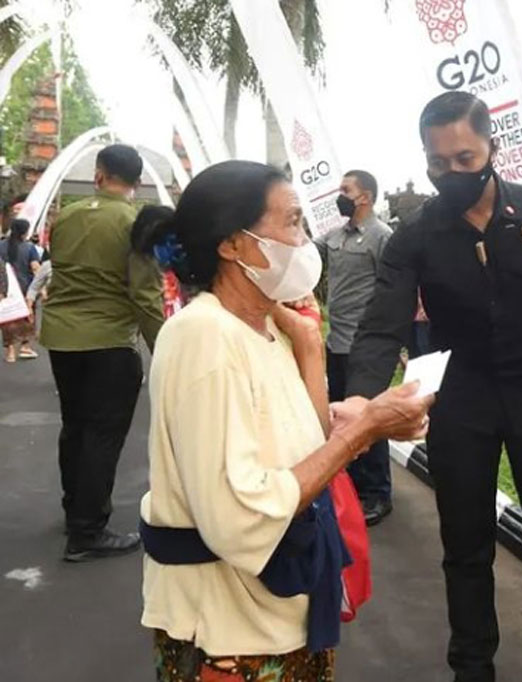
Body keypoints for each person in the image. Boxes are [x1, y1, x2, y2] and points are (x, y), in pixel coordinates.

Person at [346, 91, 522, 682]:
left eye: (465, 158)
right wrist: (359, 404)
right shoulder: (415, 235)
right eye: (439, 163)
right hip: (462, 400)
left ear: (492, 147)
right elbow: (382, 324)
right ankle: (472, 671)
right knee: (465, 552)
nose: (453, 173)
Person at [137, 160, 432, 681]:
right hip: (231, 634)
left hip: (278, 609)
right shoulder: (205, 337)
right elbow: (240, 516)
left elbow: (307, 452)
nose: (305, 239)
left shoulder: (269, 327)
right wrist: (363, 431)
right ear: (232, 244)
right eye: (293, 221)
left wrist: (318, 360)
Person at [40, 144, 166, 561]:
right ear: (139, 181)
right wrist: (164, 351)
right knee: (102, 435)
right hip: (109, 342)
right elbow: (146, 296)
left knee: (74, 426)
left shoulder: (69, 215)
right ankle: (87, 531)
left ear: (98, 175)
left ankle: (74, 505)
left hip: (61, 339)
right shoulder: (133, 222)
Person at [316, 169, 395, 525]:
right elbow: (305, 254)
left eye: (346, 190)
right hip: (336, 341)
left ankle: (377, 494)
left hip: (364, 347)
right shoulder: (335, 236)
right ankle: (351, 484)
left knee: (368, 420)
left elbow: (394, 290)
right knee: (344, 418)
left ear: (365, 196)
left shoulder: (382, 237)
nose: (340, 195)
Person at [0, 218, 41, 362]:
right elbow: (35, 268)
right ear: (25, 231)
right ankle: (25, 347)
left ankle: (10, 352)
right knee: (27, 317)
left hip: (5, 289)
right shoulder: (30, 247)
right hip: (25, 287)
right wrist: (41, 287)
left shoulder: (1, 245)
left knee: (7, 318)